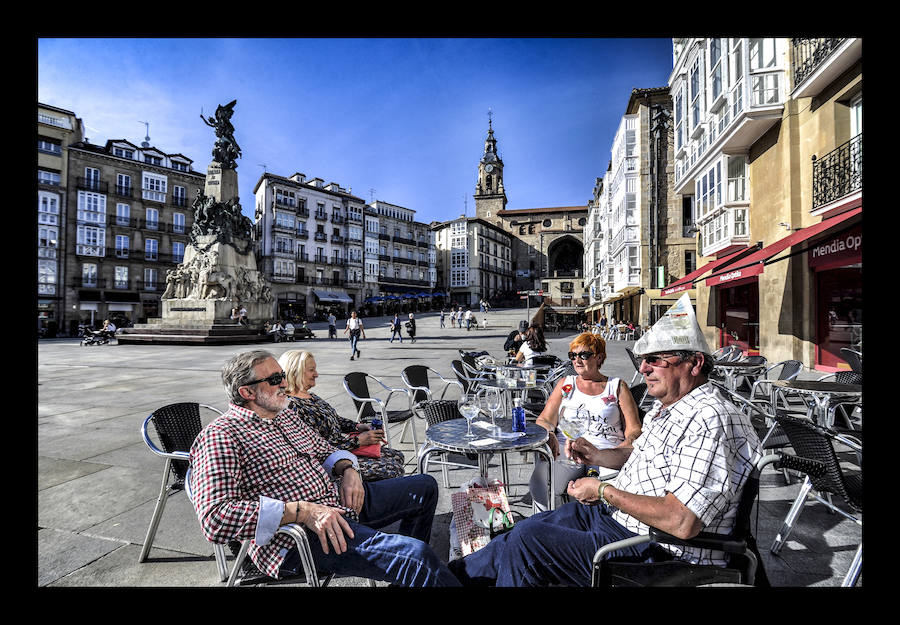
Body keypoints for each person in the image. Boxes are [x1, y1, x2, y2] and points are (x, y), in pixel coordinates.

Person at [448, 293, 761, 587]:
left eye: (656, 360)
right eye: (643, 359)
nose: (644, 368)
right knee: (525, 528)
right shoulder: (668, 408)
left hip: (656, 550)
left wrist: (602, 489)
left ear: (694, 363)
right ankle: (447, 578)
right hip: (620, 520)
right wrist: (598, 456)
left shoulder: (710, 418)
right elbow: (636, 453)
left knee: (528, 545)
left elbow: (681, 521)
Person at [189, 350, 460, 586]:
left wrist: (348, 470)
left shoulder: (283, 415)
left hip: (337, 503)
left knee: (424, 486)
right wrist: (303, 511)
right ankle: (416, 573)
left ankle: (408, 580)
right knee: (416, 557)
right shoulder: (221, 436)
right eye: (274, 380)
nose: (284, 384)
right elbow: (215, 518)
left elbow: (325, 449)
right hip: (297, 538)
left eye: (282, 375)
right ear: (247, 392)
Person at [528, 332, 642, 511]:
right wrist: (548, 433)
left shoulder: (617, 386)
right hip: (568, 450)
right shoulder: (566, 384)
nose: (577, 360)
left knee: (618, 491)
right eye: (573, 355)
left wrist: (625, 447)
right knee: (541, 481)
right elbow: (545, 419)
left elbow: (634, 429)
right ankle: (554, 522)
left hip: (606, 451)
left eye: (584, 355)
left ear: (599, 357)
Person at [279, 349, 405, 481]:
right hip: (331, 461)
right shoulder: (291, 406)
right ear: (295, 372)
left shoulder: (310, 396)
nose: (316, 374)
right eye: (311, 370)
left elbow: (336, 419)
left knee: (397, 456)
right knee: (392, 468)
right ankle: (365, 497)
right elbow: (315, 448)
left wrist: (358, 426)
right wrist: (358, 441)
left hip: (344, 449)